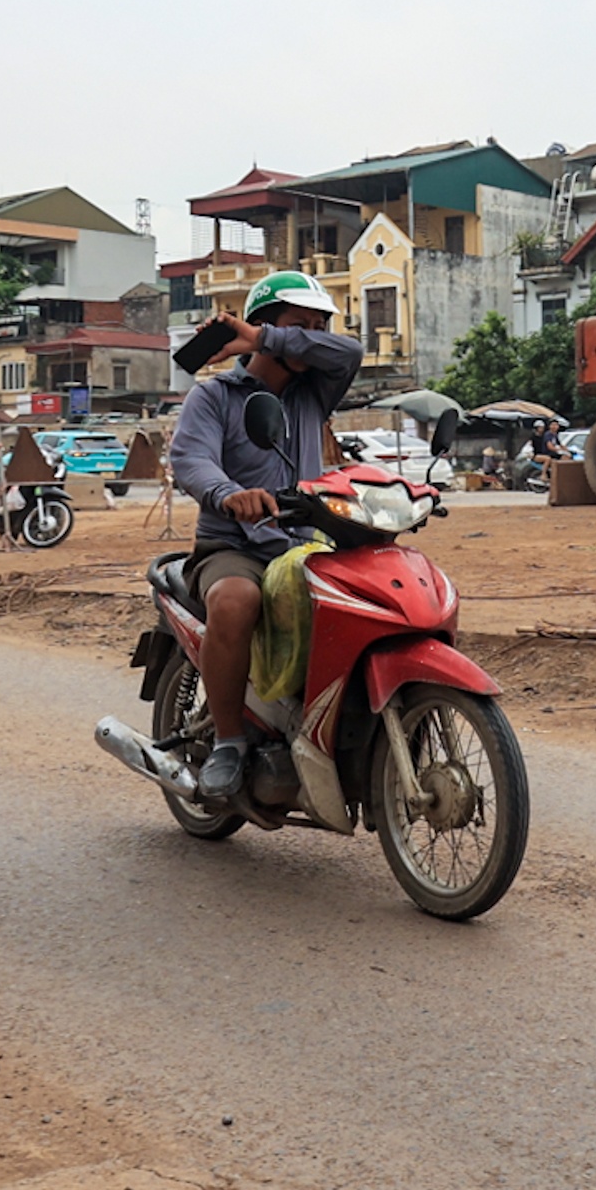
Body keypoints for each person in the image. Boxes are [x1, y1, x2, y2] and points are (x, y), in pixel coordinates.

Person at [168, 271, 363, 800]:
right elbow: (190, 459)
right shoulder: (213, 397)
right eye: (299, 325)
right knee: (237, 600)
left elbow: (348, 352)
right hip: (234, 545)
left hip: (303, 543)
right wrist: (228, 493)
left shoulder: (313, 390)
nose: (312, 338)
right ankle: (230, 740)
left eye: (318, 327)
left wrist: (265, 338)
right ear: (263, 322)